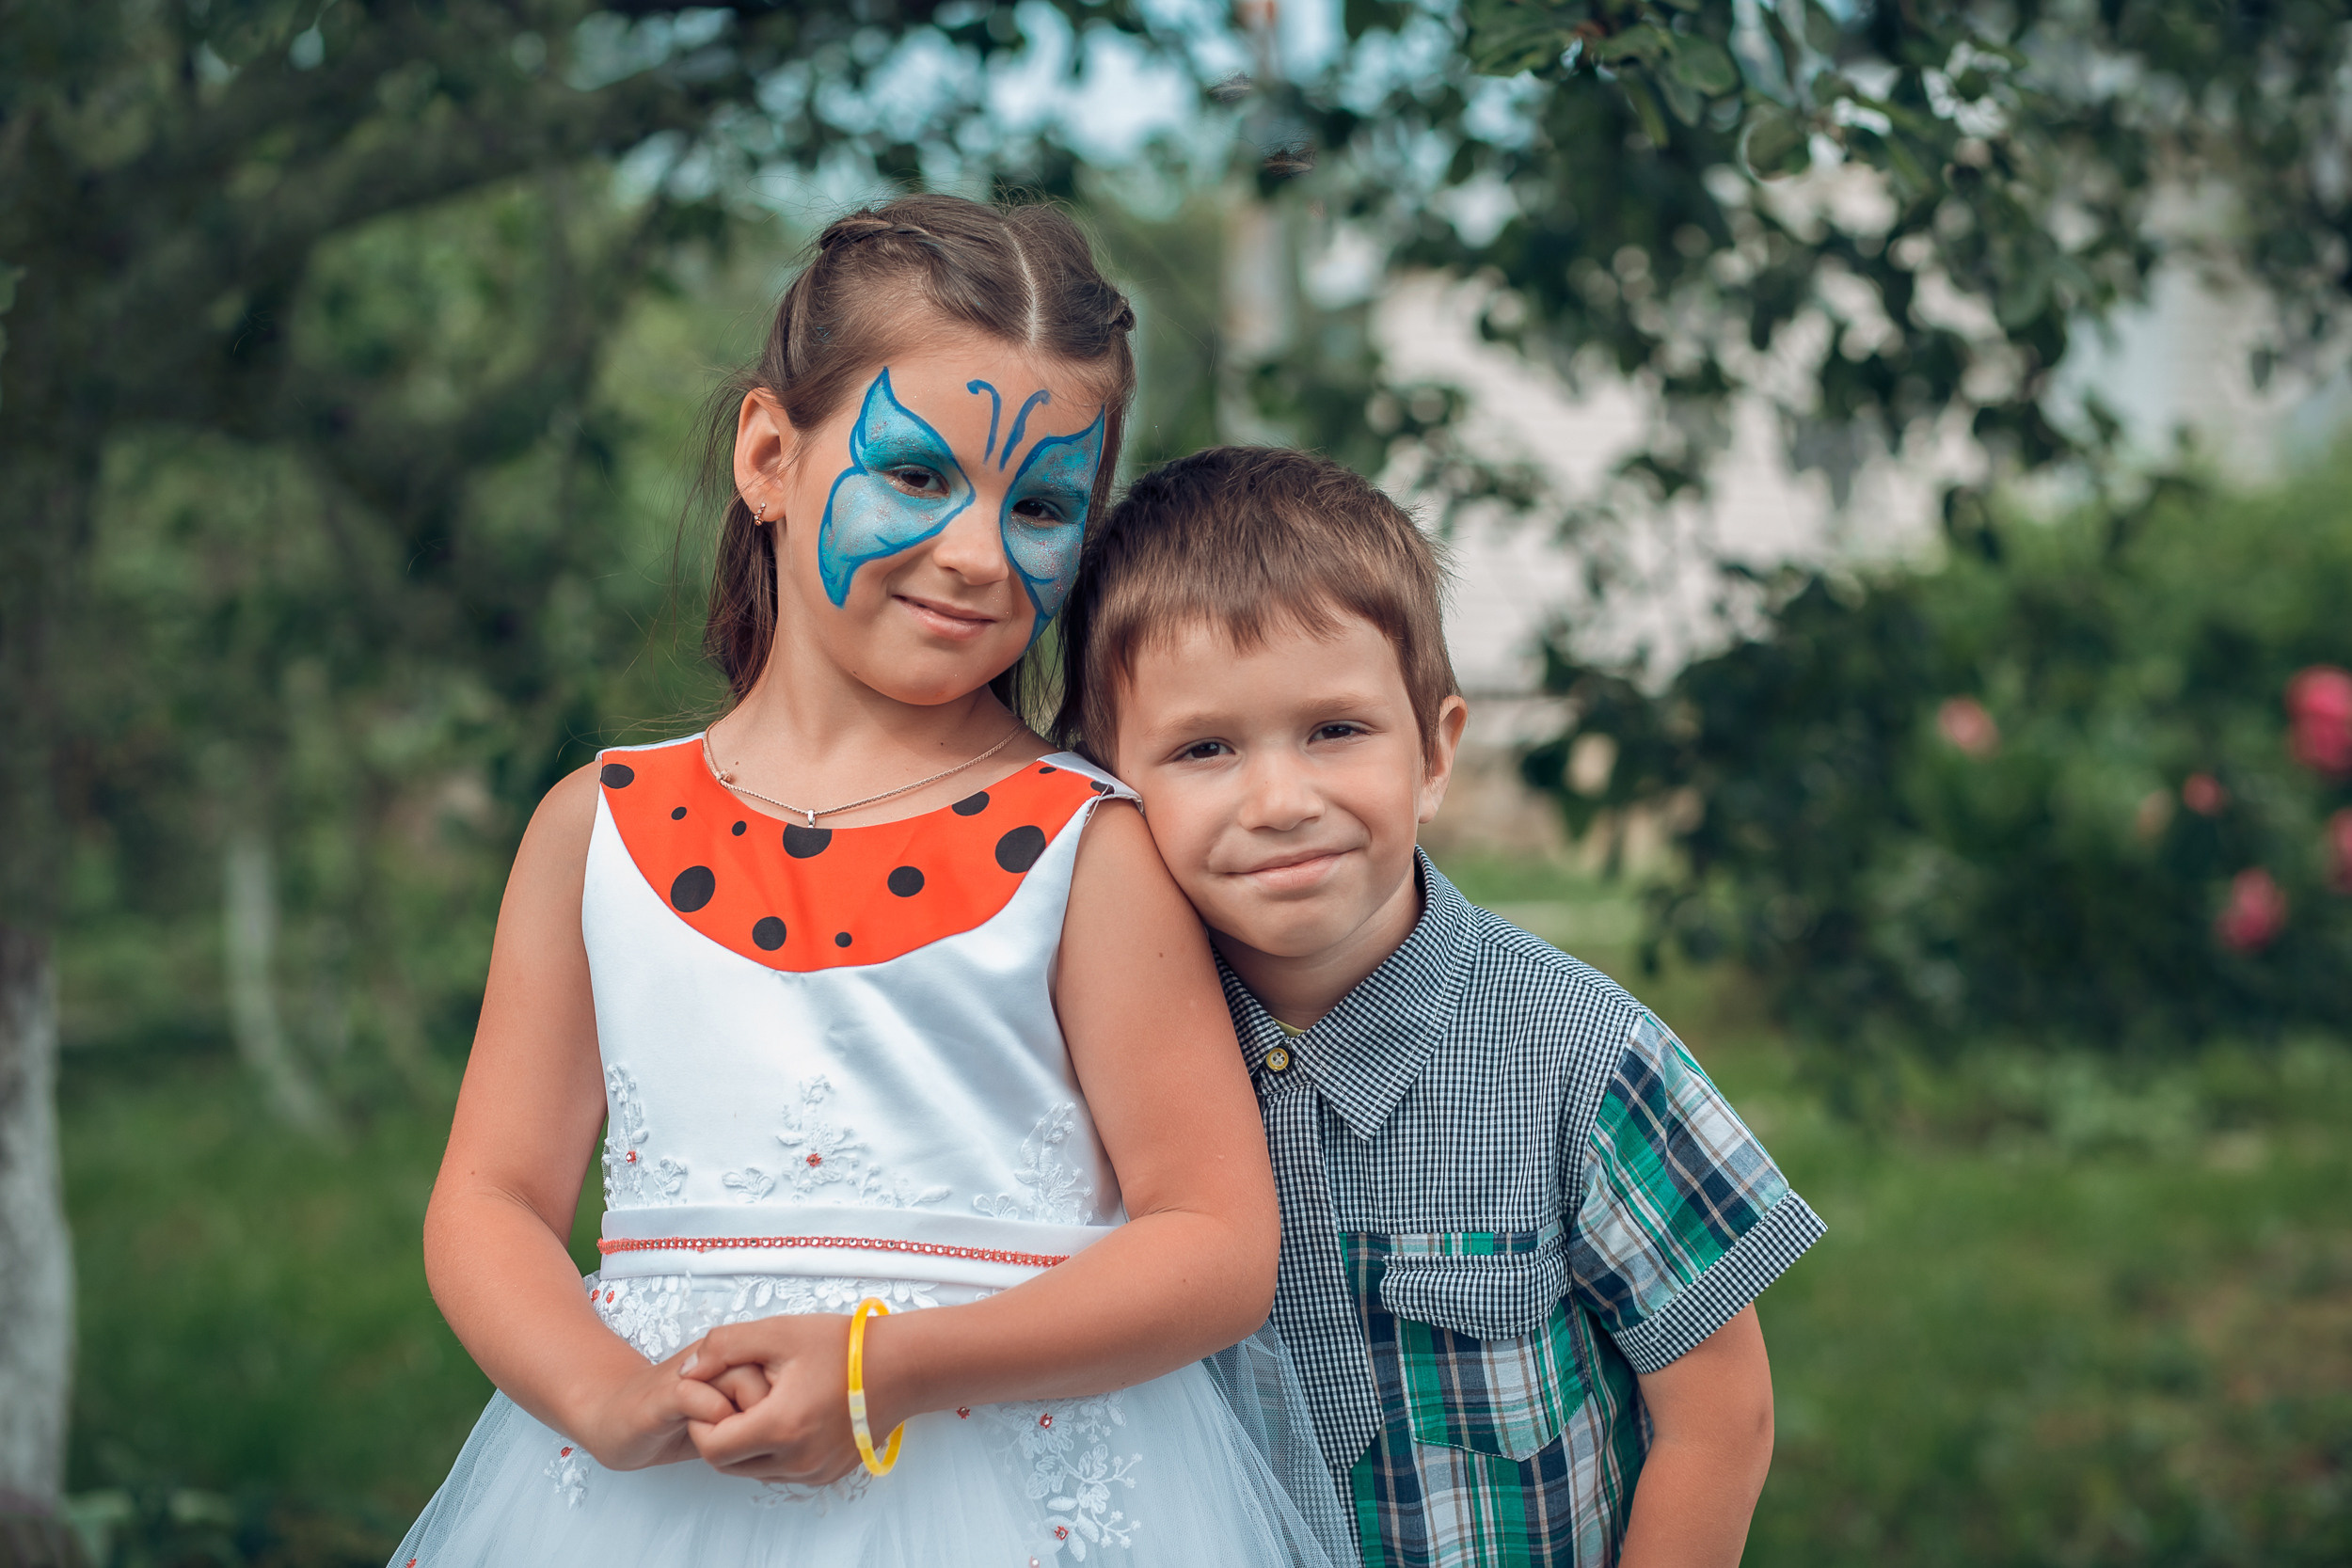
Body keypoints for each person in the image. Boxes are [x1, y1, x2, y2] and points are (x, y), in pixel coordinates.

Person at [390, 200, 1353, 1568]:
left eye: (1037, 504)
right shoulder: (593, 829)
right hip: (645, 1501)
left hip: (1016, 1491)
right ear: (770, 454)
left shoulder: (1087, 842)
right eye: (915, 476)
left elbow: (1214, 1243)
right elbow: (489, 1196)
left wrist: (884, 1367)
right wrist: (598, 1394)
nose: (974, 550)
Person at [1055, 445, 1826, 1567]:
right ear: (1110, 784)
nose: (1279, 800)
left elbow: (1719, 1420)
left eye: (1335, 729)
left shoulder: (1581, 1055)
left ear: (1434, 750)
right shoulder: (1107, 1066)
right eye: (1205, 747)